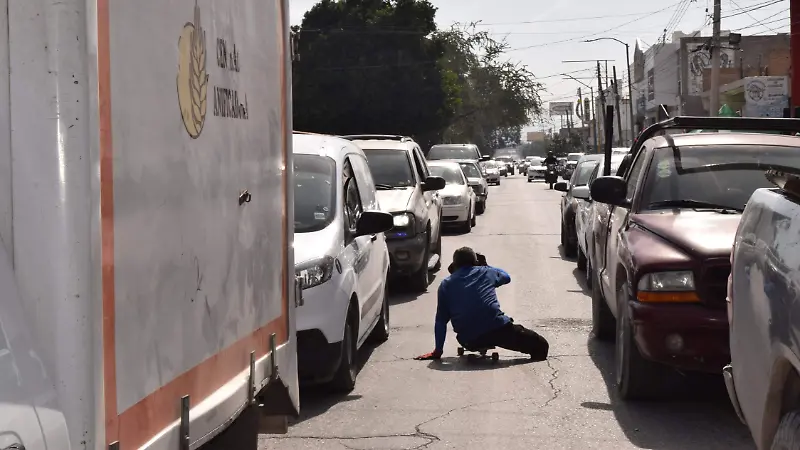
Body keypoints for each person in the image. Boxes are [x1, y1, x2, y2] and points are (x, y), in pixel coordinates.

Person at [414, 247, 549, 361]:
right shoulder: (485, 271)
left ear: (455, 265)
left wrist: (438, 351)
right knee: (541, 347)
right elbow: (506, 277)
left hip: (469, 340)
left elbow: (441, 321)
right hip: (499, 330)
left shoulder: (445, 284)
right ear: (475, 262)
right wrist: (486, 265)